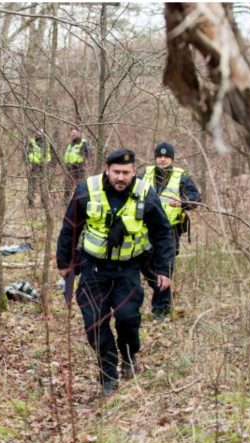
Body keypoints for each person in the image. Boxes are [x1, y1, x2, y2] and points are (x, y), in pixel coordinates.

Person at [55, 149, 175, 397]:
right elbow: (70, 227)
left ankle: (129, 356)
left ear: (134, 173)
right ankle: (108, 374)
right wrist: (64, 262)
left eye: (126, 173)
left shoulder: (144, 194)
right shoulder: (87, 190)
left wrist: (164, 269)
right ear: (107, 170)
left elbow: (163, 232)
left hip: (128, 270)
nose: (121, 177)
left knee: (128, 319)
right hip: (93, 270)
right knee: (95, 325)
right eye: (117, 172)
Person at [138, 141, 200, 318]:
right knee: (146, 265)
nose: (163, 159)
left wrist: (183, 202)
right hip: (146, 229)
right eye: (160, 156)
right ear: (155, 158)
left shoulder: (182, 177)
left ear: (172, 158)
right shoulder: (145, 174)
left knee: (165, 268)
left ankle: (162, 311)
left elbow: (195, 197)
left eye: (166, 157)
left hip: (171, 230)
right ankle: (160, 298)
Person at [25, 130, 54, 207]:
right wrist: (27, 163)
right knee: (31, 184)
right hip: (33, 165)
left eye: (40, 133)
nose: (37, 134)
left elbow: (52, 154)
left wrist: (51, 165)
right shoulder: (31, 142)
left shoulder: (47, 142)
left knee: (44, 184)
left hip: (44, 166)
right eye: (36, 133)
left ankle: (44, 203)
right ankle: (30, 203)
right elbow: (26, 153)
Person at [62, 127, 89, 199]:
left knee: (80, 186)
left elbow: (88, 155)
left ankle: (81, 200)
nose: (72, 135)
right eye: (72, 133)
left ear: (79, 133)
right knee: (67, 187)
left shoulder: (84, 143)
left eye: (74, 133)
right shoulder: (70, 144)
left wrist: (84, 153)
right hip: (69, 168)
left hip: (78, 168)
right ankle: (66, 202)